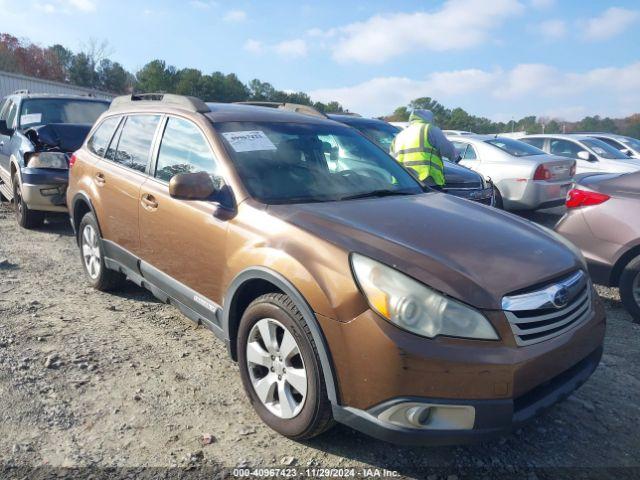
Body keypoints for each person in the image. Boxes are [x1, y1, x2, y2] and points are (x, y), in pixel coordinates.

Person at [390, 109, 456, 187]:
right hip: (426, 179)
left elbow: (390, 159)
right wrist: (456, 157)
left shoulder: (399, 135)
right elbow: (448, 150)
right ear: (429, 118)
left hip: (403, 182)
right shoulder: (429, 129)